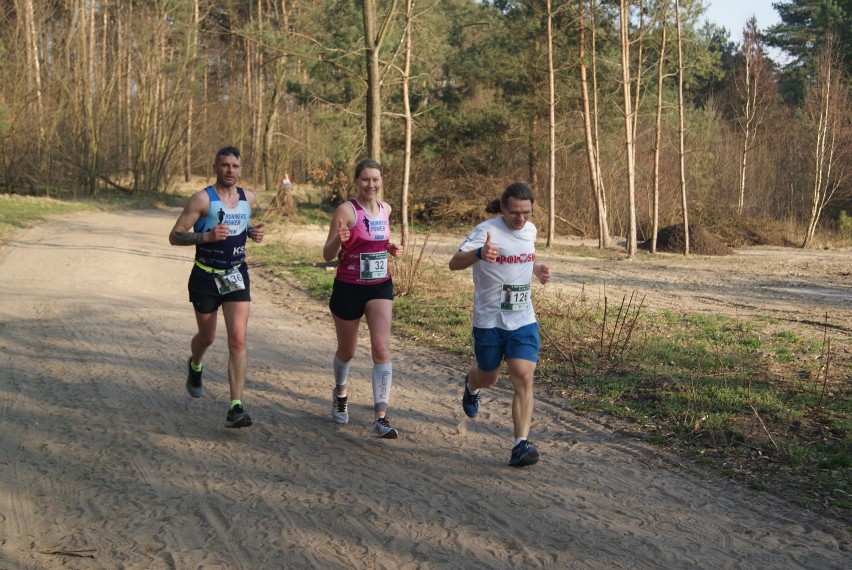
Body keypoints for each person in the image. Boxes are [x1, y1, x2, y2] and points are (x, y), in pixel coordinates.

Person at [448, 182, 551, 467]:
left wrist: (536, 268)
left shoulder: (530, 231)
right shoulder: (486, 231)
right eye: (515, 212)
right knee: (489, 377)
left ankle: (520, 444)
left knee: (524, 376)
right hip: (489, 320)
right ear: (504, 208)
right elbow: (454, 263)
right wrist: (479, 254)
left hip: (522, 319)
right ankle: (472, 384)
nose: (521, 219)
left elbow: (521, 258)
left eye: (526, 213)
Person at [168, 146, 265, 428]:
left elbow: (239, 229)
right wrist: (206, 236)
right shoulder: (201, 199)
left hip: (235, 275)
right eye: (225, 165)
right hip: (205, 277)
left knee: (238, 340)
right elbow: (175, 236)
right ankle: (196, 364)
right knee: (207, 338)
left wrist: (252, 232)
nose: (230, 171)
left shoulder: (248, 198)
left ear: (241, 169)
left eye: (235, 166)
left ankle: (236, 406)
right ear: (215, 167)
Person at [322, 158, 404, 439]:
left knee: (381, 348)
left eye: (376, 180)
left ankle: (380, 418)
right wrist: (339, 239)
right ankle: (340, 392)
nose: (371, 184)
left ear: (382, 182)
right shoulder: (346, 211)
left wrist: (391, 247)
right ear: (356, 181)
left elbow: (380, 241)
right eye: (365, 179)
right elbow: (327, 254)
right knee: (347, 351)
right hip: (348, 287)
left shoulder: (386, 209)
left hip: (380, 286)